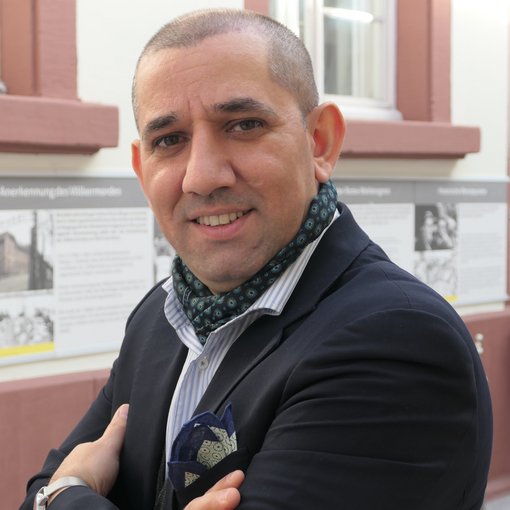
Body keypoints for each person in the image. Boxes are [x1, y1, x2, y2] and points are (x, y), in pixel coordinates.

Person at [20, 8, 492, 510]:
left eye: (243, 125)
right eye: (169, 140)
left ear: (320, 142)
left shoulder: (395, 338)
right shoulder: (159, 317)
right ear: (141, 169)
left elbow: (50, 488)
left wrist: (65, 495)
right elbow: (37, 488)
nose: (202, 176)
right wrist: (54, 490)